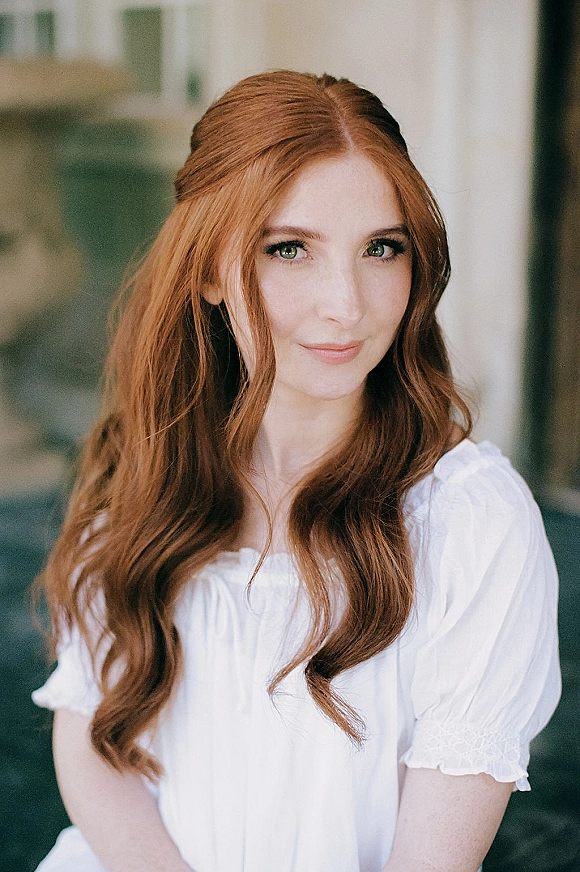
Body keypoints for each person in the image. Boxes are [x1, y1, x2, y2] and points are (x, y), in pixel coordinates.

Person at [32, 70, 560, 872]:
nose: (345, 304)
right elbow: (92, 746)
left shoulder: (470, 521)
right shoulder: (144, 468)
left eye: (382, 248)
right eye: (290, 249)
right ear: (208, 270)